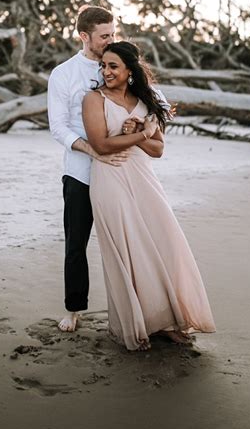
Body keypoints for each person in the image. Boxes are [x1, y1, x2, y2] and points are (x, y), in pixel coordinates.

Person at [82, 41, 216, 351]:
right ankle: (137, 325)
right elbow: (101, 145)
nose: (106, 71)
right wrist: (141, 133)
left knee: (163, 244)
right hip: (110, 178)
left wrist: (142, 130)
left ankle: (167, 322)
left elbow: (158, 149)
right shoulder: (93, 99)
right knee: (129, 250)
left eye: (113, 66)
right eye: (103, 65)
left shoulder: (145, 100)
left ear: (130, 70)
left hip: (144, 178)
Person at [47, 6, 130, 333]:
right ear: (84, 36)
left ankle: (131, 308)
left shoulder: (120, 65)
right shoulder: (63, 74)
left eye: (113, 33)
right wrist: (93, 150)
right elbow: (58, 128)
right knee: (76, 245)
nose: (111, 40)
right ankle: (74, 309)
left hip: (119, 171)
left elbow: (147, 101)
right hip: (80, 173)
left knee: (126, 243)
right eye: (105, 36)